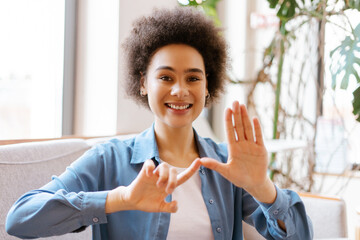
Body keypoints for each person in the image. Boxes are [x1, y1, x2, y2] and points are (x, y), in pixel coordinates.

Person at [6, 7, 313, 240]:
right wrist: (119, 199)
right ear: (143, 84)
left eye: (193, 78)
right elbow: (20, 219)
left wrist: (264, 189)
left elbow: (299, 235)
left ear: (208, 86)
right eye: (166, 77)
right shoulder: (109, 159)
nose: (180, 90)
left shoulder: (226, 165)